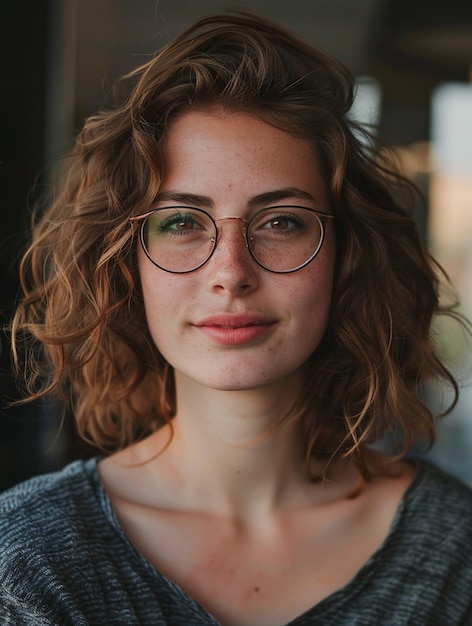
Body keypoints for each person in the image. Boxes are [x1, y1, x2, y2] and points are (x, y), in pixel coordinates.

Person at [1, 9, 472, 626]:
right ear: (125, 264)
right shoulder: (29, 559)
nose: (231, 272)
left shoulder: (455, 552)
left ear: (347, 256)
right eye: (181, 223)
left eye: (280, 222)